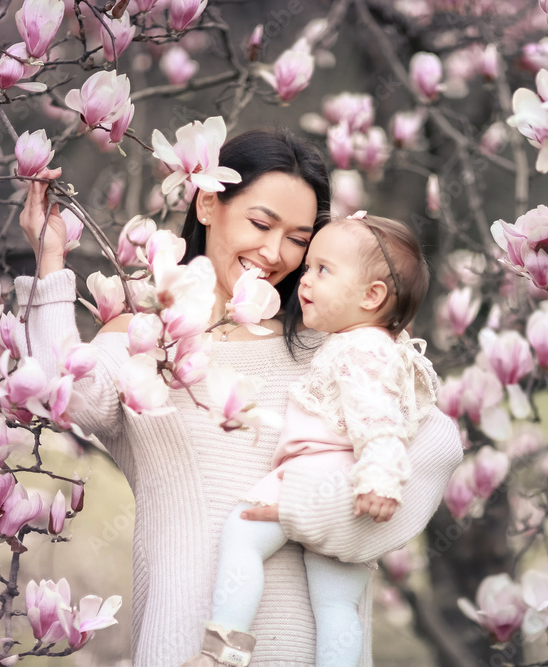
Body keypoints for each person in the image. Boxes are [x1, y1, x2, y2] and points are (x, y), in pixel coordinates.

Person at [15, 128, 463, 666]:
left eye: (300, 238)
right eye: (260, 223)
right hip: (186, 648)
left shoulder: (338, 351)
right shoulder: (148, 341)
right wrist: (49, 257)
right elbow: (55, 386)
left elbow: (436, 446)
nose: (275, 253)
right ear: (208, 202)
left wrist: (309, 513)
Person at [183, 213, 437, 667]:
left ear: (372, 295)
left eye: (323, 270)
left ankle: (222, 654)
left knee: (241, 536)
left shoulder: (363, 349)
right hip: (350, 490)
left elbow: (381, 421)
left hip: (318, 472)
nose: (305, 281)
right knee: (337, 606)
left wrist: (380, 479)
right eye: (308, 268)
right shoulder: (378, 344)